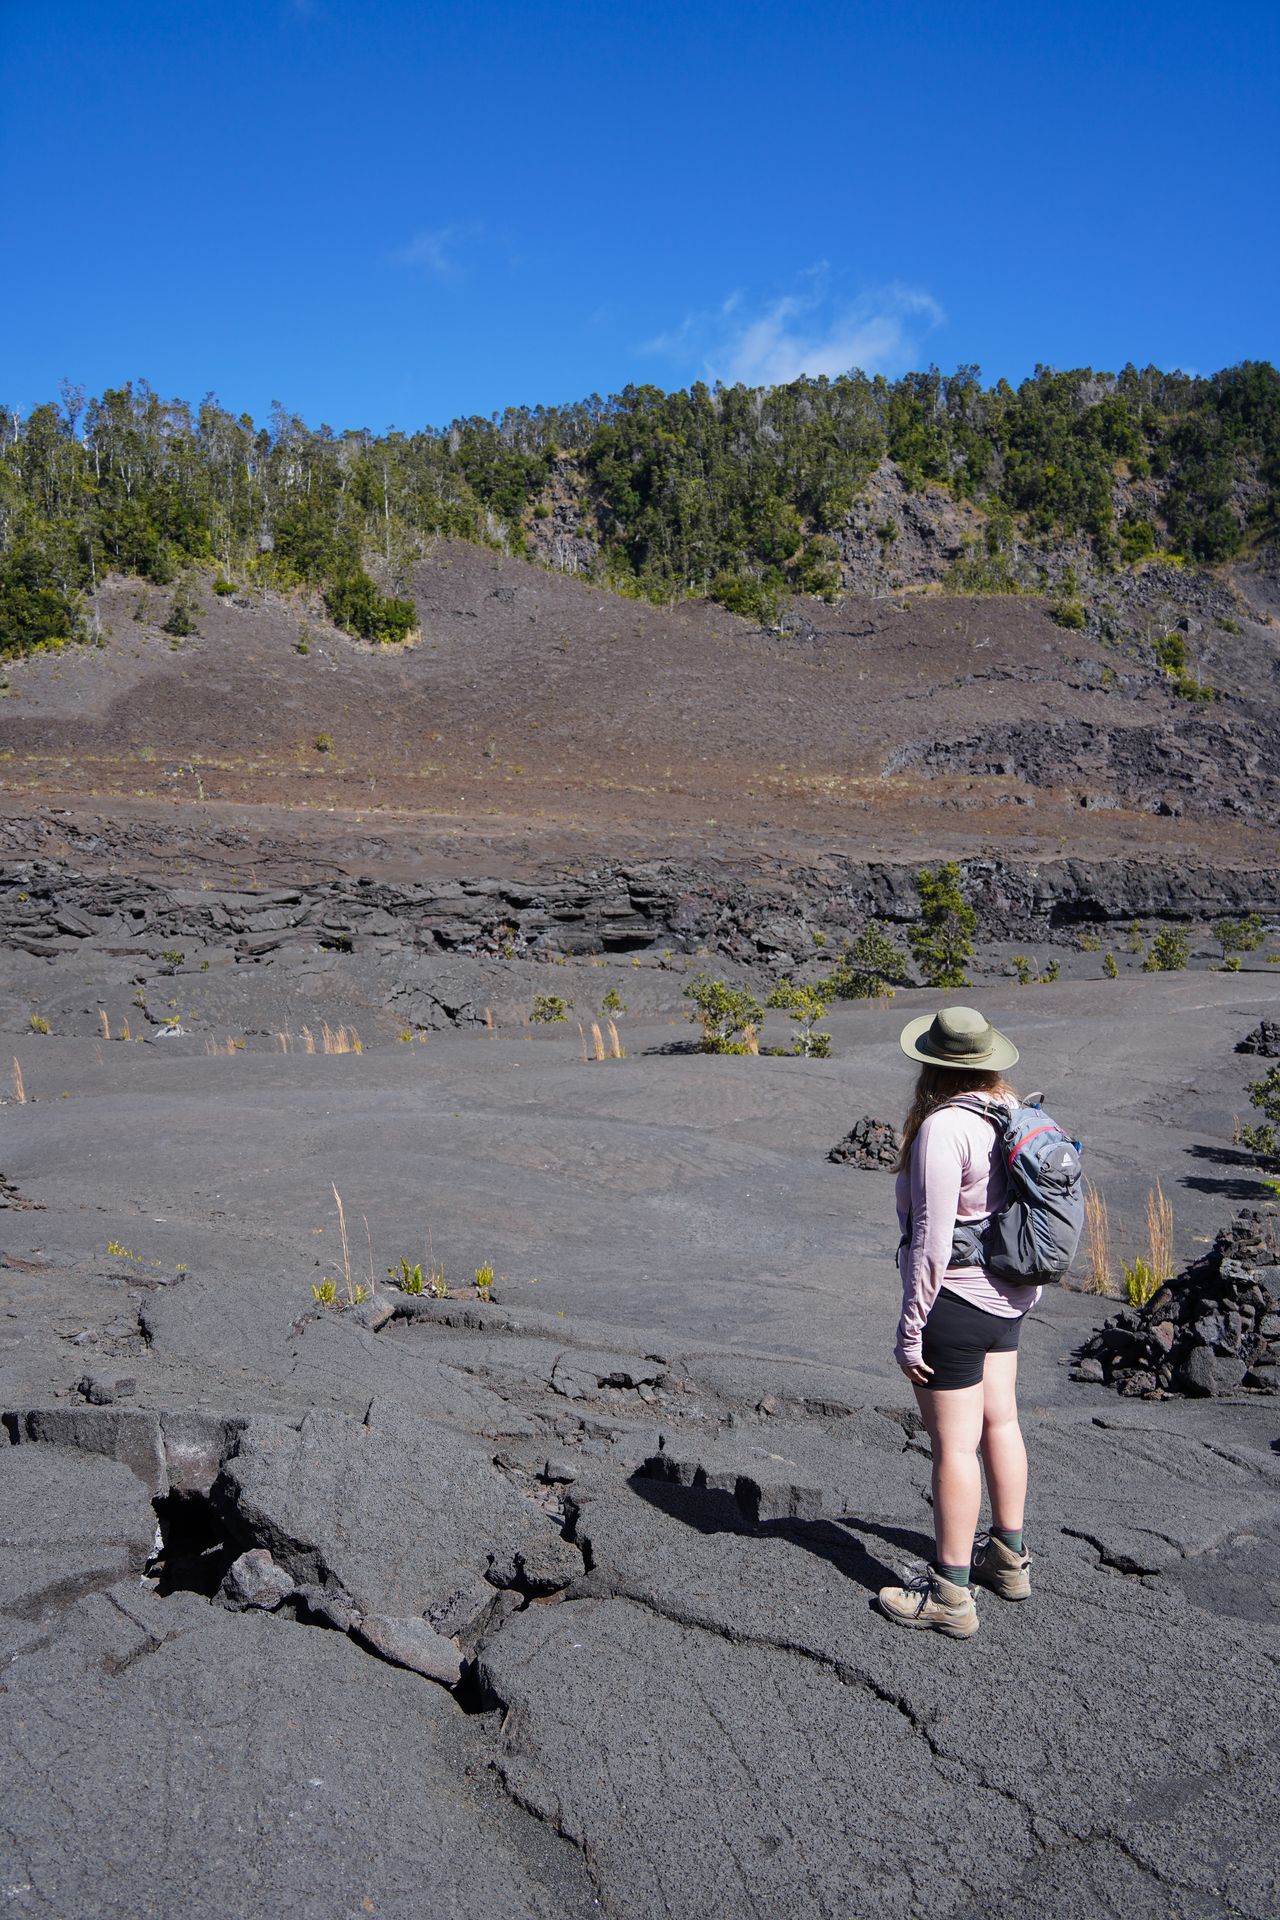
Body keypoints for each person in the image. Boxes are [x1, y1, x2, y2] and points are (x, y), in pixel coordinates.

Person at [877, 1005, 1038, 1639]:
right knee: (1002, 1422)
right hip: (1010, 1299)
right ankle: (1010, 1561)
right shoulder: (1011, 1114)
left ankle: (950, 1593)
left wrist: (911, 1325)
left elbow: (931, 1241)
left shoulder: (945, 1128)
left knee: (953, 1447)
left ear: (931, 1065)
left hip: (958, 1303)